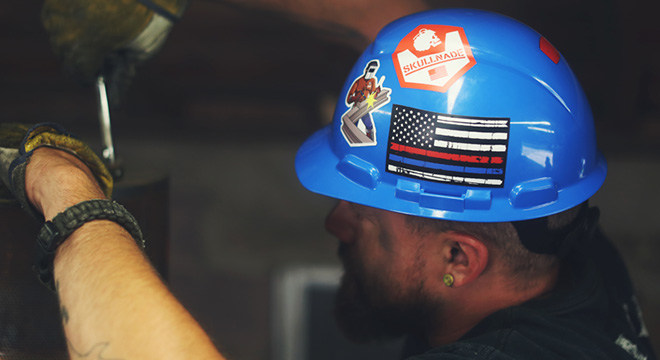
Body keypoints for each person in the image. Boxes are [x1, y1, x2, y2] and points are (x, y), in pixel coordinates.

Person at [0, 8, 656, 360]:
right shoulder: (568, 252)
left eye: (364, 212)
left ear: (459, 258)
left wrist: (65, 188)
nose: (335, 223)